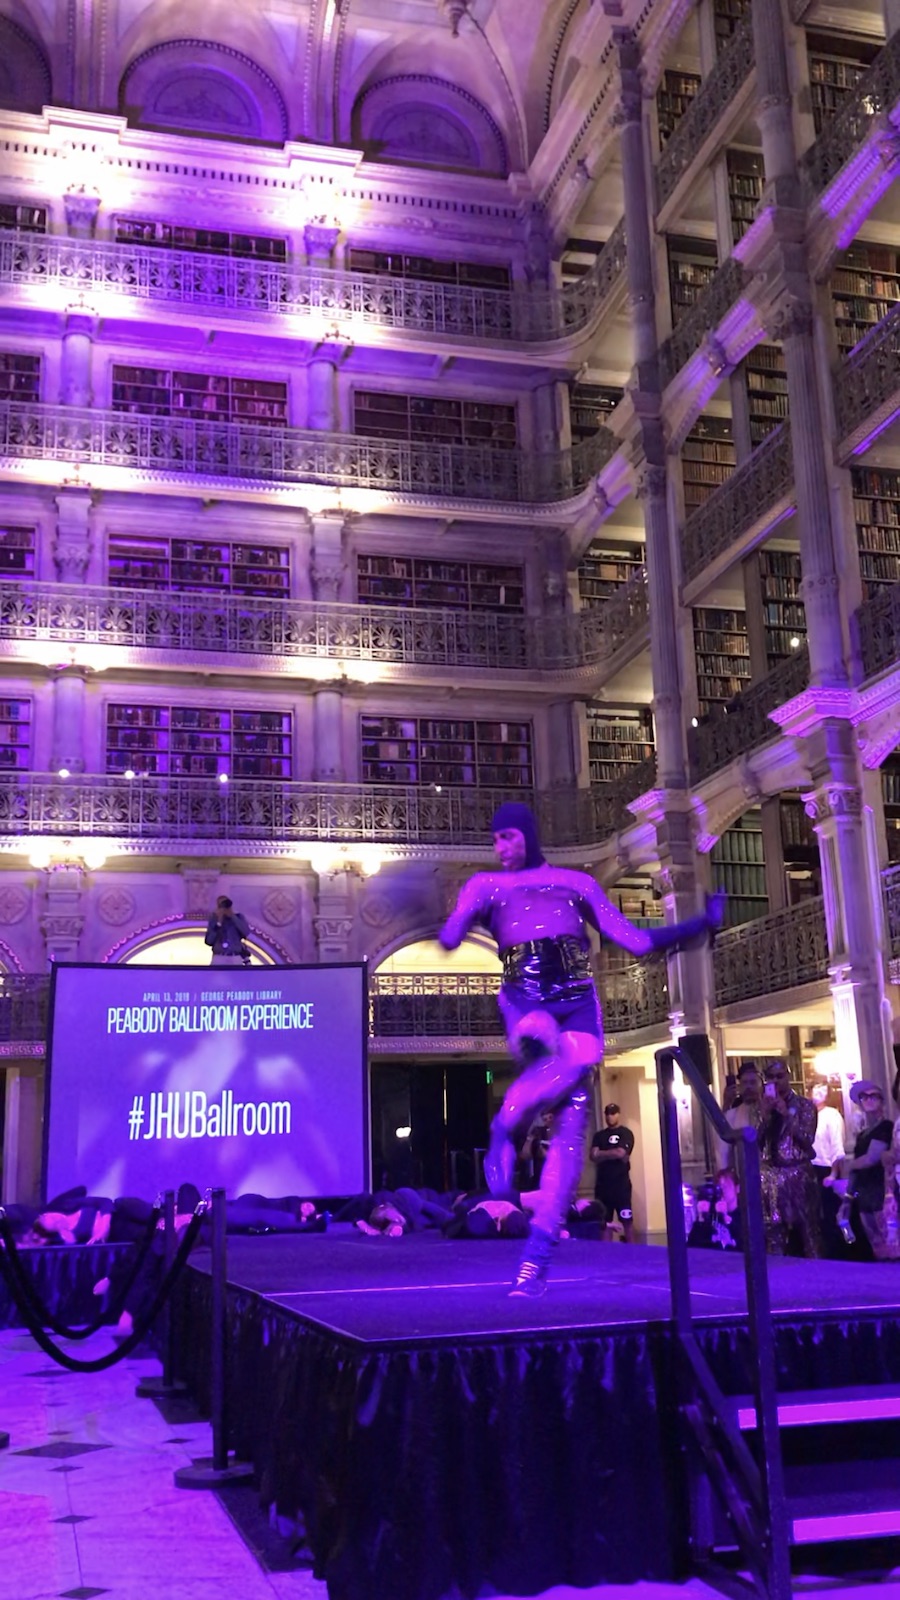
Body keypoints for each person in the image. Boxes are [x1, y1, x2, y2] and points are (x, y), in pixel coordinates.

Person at [439, 800, 723, 1296]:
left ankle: (535, 1262)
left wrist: (698, 926)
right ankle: (509, 1139)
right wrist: (461, 918)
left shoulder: (576, 883)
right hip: (526, 1001)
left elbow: (633, 941)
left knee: (571, 1125)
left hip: (578, 1005)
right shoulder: (486, 885)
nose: (500, 846)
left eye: (508, 836)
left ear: (528, 834)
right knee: (531, 1066)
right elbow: (449, 934)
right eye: (496, 838)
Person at [758, 1061, 821, 1258]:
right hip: (770, 1176)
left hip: (798, 1173)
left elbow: (807, 1138)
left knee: (808, 1231)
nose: (776, 1081)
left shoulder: (805, 1105)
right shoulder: (760, 1107)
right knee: (773, 1231)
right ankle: (777, 1273)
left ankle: (818, 1270)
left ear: (788, 1077)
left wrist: (787, 1115)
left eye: (780, 1076)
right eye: (771, 1077)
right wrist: (764, 1117)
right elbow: (752, 1141)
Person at [832, 1080, 895, 1260]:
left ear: (882, 1101)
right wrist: (847, 1199)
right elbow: (856, 1172)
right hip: (865, 1195)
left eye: (873, 1096)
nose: (868, 1100)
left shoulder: (886, 1126)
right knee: (875, 1245)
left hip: (883, 1194)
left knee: (890, 1245)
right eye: (864, 1097)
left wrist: (850, 1164)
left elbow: (871, 1158)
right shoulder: (861, 1135)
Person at [590, 1104, 635, 1242]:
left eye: (613, 1113)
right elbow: (593, 1155)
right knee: (604, 1222)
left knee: (627, 1221)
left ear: (618, 1114)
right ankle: (606, 1251)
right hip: (603, 1186)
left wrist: (602, 1153)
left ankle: (633, 1251)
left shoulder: (625, 1133)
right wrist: (613, 1153)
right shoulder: (599, 1136)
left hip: (621, 1186)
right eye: (608, 1114)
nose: (610, 1116)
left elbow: (621, 1153)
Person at [811, 1082, 846, 1256]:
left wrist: (833, 1173)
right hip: (810, 1169)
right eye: (816, 1088)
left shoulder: (832, 1115)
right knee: (815, 1214)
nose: (819, 1092)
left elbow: (837, 1146)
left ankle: (837, 1252)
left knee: (831, 1213)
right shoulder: (809, 1115)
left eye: (823, 1090)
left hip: (826, 1169)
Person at [205, 895, 250, 967]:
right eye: (222, 905)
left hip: (235, 955)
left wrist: (232, 916)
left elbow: (245, 932)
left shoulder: (239, 916)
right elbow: (209, 941)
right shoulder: (214, 918)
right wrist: (219, 922)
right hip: (219, 956)